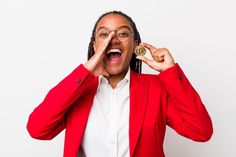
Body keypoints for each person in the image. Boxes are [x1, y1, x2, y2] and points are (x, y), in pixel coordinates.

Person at [27, 10, 213, 157]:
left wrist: (171, 73)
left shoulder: (157, 88)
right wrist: (85, 72)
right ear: (95, 46)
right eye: (104, 34)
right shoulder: (77, 90)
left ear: (135, 45)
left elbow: (201, 131)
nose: (112, 39)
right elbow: (37, 129)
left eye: (123, 33)